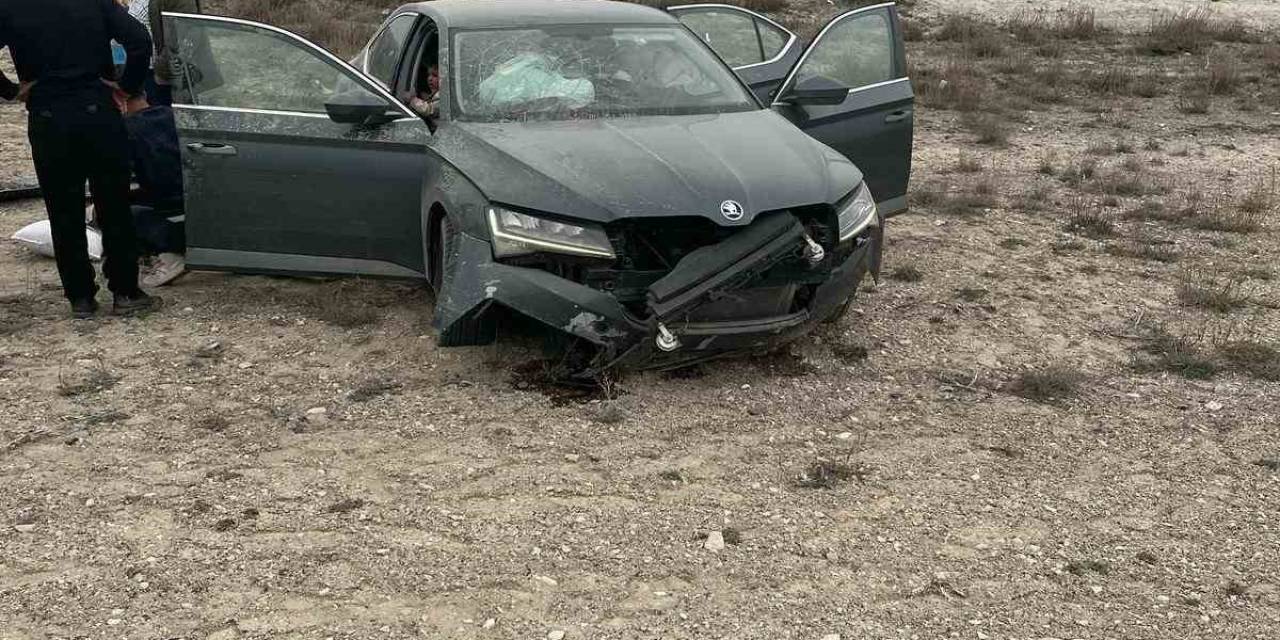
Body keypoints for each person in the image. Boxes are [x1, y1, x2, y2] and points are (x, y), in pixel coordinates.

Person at [0, 0, 162, 318]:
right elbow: (140, 39)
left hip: (48, 115)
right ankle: (126, 292)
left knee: (63, 211)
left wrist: (11, 90)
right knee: (114, 204)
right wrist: (127, 87)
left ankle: (81, 299)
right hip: (98, 112)